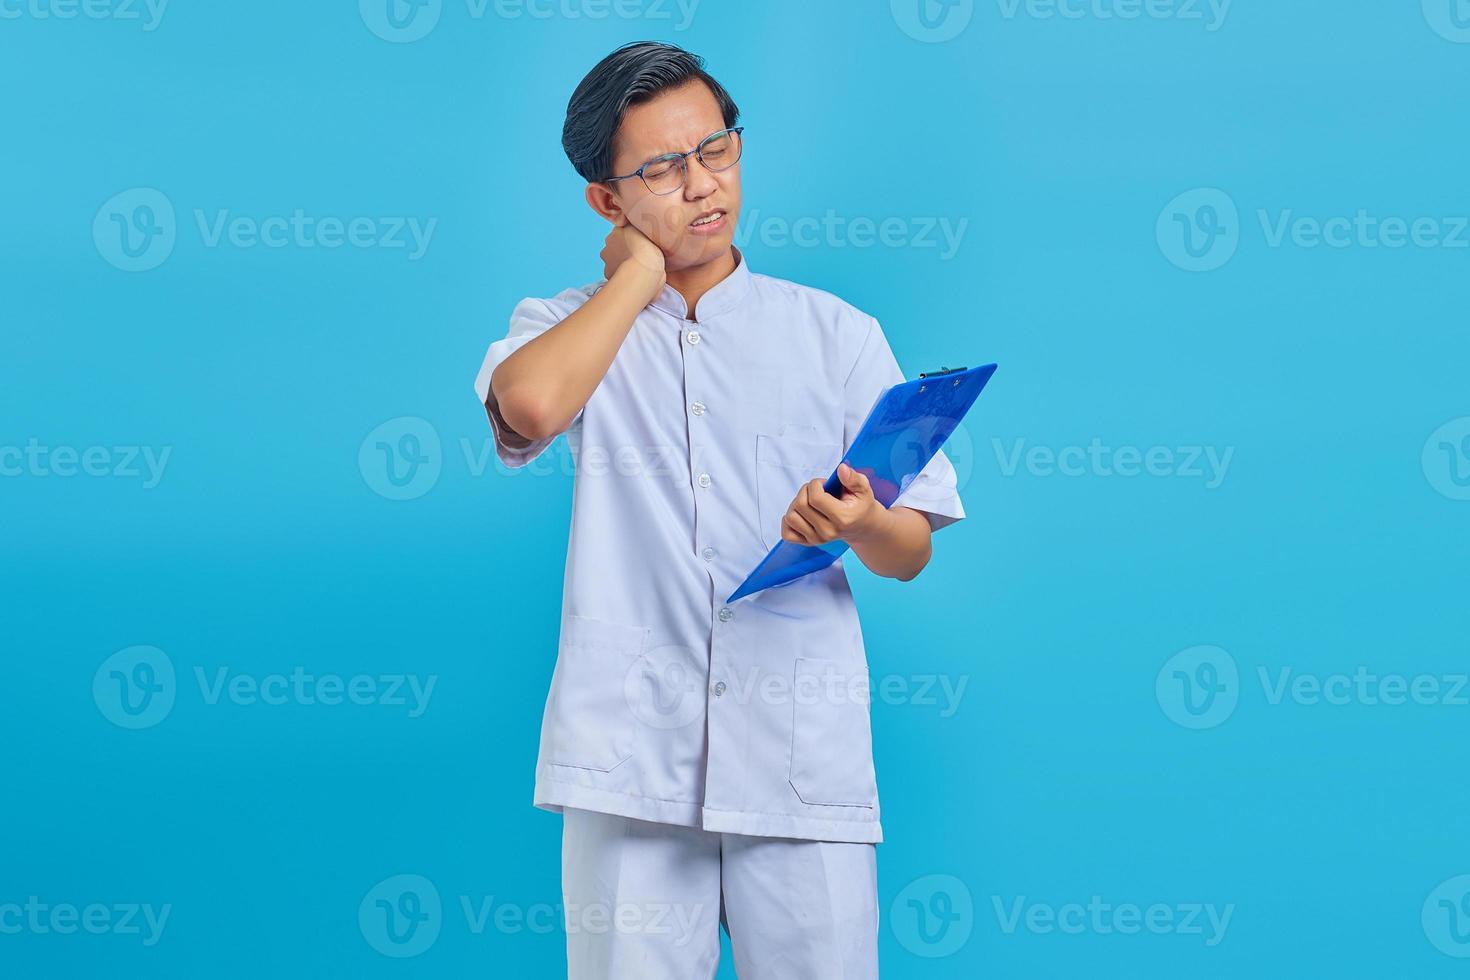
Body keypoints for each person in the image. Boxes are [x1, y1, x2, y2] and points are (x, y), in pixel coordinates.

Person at [474, 40, 967, 980]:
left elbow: (910, 554)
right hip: (632, 764)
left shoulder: (835, 334)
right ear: (607, 202)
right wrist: (633, 280)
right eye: (662, 168)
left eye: (717, 151)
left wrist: (862, 522)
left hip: (799, 751)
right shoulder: (567, 323)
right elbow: (531, 408)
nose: (702, 186)